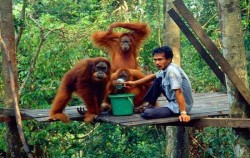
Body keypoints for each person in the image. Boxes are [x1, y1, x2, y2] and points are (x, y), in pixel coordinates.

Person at [125, 46, 193, 122]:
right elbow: (153, 76)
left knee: (147, 113)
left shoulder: (171, 71)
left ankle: (150, 109)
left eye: (160, 60)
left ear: (169, 59)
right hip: (173, 101)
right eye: (155, 60)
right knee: (157, 80)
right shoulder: (165, 69)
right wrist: (134, 83)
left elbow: (178, 91)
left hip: (180, 107)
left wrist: (183, 113)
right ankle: (150, 105)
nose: (157, 63)